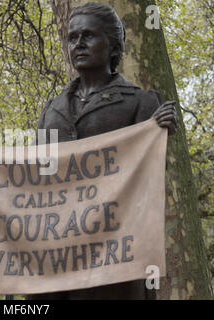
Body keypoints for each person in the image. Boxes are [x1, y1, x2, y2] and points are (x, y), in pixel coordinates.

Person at [27, 2, 176, 299]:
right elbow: (31, 175)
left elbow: (152, 181)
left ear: (112, 45)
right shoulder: (52, 109)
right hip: (56, 258)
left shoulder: (139, 102)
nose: (78, 44)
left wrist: (157, 138)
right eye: (72, 38)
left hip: (114, 261)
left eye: (88, 36)